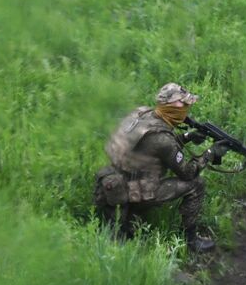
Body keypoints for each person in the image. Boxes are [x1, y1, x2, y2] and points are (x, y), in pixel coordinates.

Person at [94, 83, 228, 253]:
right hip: (136, 190)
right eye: (184, 105)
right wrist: (209, 153)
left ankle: (130, 217)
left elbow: (153, 148)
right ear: (171, 107)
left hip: (116, 180)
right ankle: (192, 240)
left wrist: (186, 137)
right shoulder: (162, 140)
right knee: (197, 184)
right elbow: (187, 172)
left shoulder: (144, 114)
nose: (187, 109)